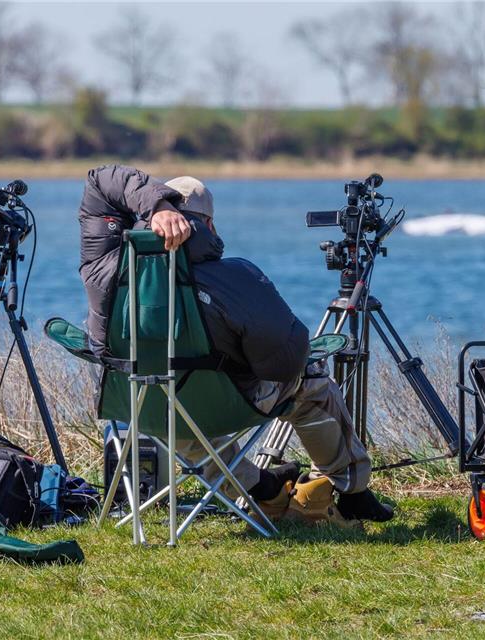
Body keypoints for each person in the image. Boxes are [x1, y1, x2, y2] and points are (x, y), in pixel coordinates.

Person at [77, 164, 393, 524]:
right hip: (217, 408)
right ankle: (351, 489)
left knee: (177, 410)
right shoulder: (236, 278)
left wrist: (156, 204)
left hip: (135, 406)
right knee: (309, 377)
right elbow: (283, 365)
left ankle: (265, 489)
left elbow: (99, 180)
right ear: (208, 226)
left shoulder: (103, 267)